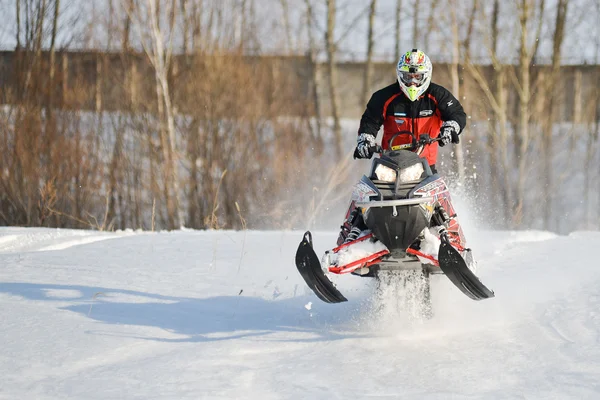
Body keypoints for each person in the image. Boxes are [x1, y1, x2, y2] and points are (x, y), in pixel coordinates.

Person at [338, 48, 467, 245]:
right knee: (363, 192)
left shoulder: (437, 95)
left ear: (426, 75)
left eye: (417, 77)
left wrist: (450, 129)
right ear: (400, 76)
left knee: (440, 195)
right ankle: (345, 241)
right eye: (408, 77)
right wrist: (365, 140)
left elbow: (457, 114)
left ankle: (456, 244)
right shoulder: (385, 97)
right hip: (388, 165)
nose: (413, 82)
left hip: (425, 165)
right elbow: (370, 121)